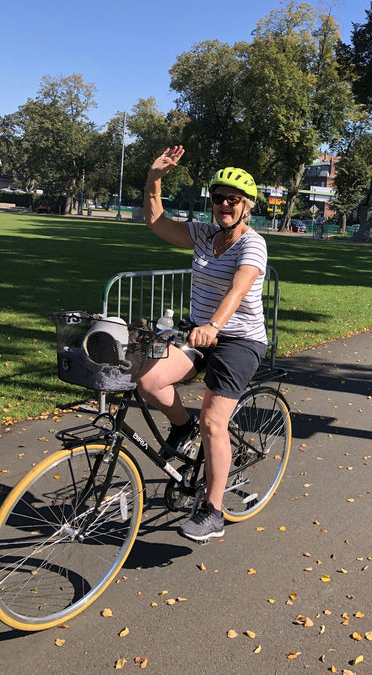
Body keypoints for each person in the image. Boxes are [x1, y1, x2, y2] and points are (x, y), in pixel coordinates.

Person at [138, 147, 268, 542]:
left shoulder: (253, 244)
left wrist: (214, 324)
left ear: (247, 206)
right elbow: (156, 222)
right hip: (200, 333)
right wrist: (154, 178)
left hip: (239, 340)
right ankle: (183, 426)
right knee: (149, 381)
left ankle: (212, 511)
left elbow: (238, 288)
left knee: (214, 421)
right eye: (219, 198)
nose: (224, 205)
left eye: (233, 200)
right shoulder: (203, 235)